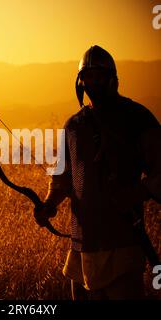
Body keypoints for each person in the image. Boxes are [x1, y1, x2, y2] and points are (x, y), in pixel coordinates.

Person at [34, 45, 161, 300]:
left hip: (122, 244)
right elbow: (62, 177)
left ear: (112, 78)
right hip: (82, 249)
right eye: (88, 76)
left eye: (99, 76)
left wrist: (135, 192)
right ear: (80, 82)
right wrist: (49, 204)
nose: (93, 82)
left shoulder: (136, 118)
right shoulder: (73, 125)